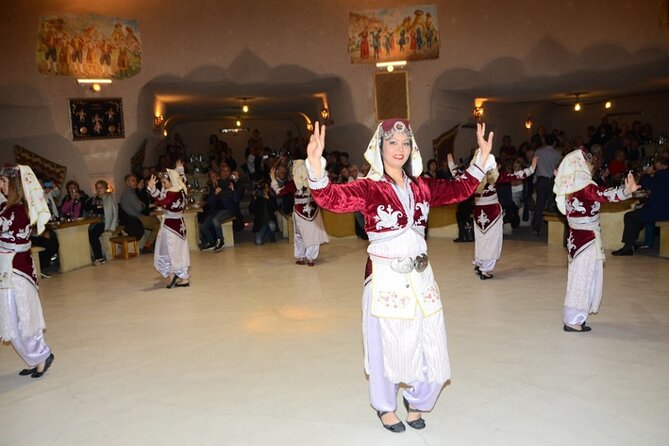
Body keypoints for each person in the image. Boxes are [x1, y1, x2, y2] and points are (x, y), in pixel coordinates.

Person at [306, 120, 495, 433]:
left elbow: (459, 189)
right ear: (379, 147)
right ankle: (385, 406)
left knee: (429, 340)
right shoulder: (368, 187)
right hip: (384, 278)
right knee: (383, 345)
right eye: (392, 142)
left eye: (405, 143)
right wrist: (315, 165)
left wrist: (480, 160)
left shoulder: (422, 185)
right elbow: (331, 198)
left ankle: (418, 398)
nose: (399, 149)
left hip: (421, 277)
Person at [554, 149, 639, 332]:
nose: (593, 167)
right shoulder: (584, 185)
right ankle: (572, 320)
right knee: (582, 278)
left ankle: (575, 316)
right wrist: (626, 191)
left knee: (578, 277)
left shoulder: (570, 183)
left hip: (576, 237)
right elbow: (604, 194)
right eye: (591, 164)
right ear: (583, 164)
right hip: (587, 240)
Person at [0, 165, 55, 378]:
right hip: (8, 270)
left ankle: (42, 356)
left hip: (18, 271)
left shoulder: (17, 210)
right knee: (12, 319)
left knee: (24, 317)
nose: (1, 186)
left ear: (13, 185)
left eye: (3, 182)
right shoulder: (8, 208)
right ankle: (34, 358)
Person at [469, 156, 537, 279]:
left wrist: (452, 165)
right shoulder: (493, 176)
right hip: (492, 213)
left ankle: (480, 265)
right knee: (492, 241)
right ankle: (485, 270)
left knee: (481, 240)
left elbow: (457, 175)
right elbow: (515, 176)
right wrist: (531, 168)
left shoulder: (473, 176)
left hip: (479, 212)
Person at [271, 161, 329, 266]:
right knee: (313, 234)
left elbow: (279, 192)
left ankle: (301, 257)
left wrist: (273, 180)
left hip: (300, 213)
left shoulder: (292, 183)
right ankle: (311, 259)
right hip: (314, 211)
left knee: (299, 235)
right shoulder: (313, 180)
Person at [612, 154, 669, 255]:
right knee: (638, 214)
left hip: (661, 211)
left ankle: (628, 247)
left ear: (659, 164)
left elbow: (643, 185)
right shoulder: (663, 174)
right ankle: (632, 243)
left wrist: (646, 173)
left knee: (630, 216)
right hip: (663, 209)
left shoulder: (661, 174)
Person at [147, 164, 190, 288]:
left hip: (170, 228)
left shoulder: (172, 193)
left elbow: (162, 201)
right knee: (180, 252)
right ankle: (184, 278)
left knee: (167, 251)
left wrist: (152, 190)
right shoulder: (180, 190)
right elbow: (180, 180)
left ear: (171, 181)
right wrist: (179, 171)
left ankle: (173, 276)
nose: (163, 184)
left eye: (165, 182)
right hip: (180, 225)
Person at [120, 174, 160, 253]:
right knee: (158, 221)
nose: (135, 182)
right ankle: (151, 245)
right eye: (132, 180)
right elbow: (139, 207)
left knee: (157, 225)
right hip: (135, 219)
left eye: (135, 180)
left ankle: (148, 245)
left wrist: (142, 204)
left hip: (135, 217)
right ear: (127, 182)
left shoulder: (131, 191)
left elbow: (140, 205)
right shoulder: (129, 193)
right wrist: (143, 204)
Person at [532, 134, 563, 235]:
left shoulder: (538, 151)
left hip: (540, 180)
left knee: (539, 205)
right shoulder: (557, 153)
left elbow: (535, 167)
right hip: (551, 180)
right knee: (554, 204)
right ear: (554, 142)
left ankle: (536, 228)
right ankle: (555, 230)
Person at [84, 180, 118, 266]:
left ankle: (99, 257)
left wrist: (112, 226)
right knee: (86, 232)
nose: (99, 190)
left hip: (104, 222)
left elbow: (115, 213)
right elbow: (86, 207)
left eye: (101, 188)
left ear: (105, 189)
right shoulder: (93, 198)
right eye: (97, 188)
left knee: (93, 234)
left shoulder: (109, 199)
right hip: (93, 222)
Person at [249, 180, 279, 245]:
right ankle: (265, 233)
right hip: (260, 222)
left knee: (272, 225)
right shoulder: (257, 198)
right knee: (258, 242)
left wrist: (268, 199)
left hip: (270, 220)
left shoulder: (271, 197)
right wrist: (254, 199)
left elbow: (275, 208)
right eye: (263, 188)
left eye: (267, 188)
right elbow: (251, 211)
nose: (265, 190)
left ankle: (271, 235)